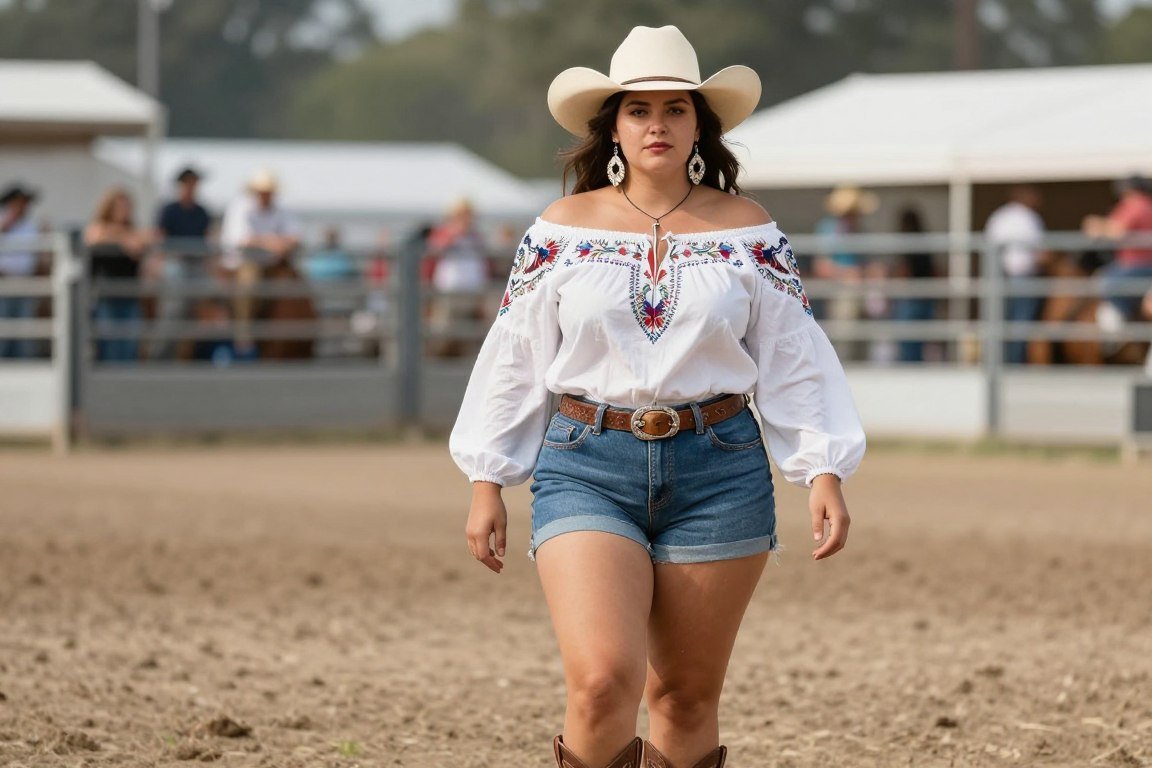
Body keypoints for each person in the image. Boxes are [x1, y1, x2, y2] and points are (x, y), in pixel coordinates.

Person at [449, 26, 865, 768]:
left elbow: (793, 354)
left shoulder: (749, 230)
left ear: (699, 125)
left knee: (685, 697)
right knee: (601, 683)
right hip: (585, 463)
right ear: (612, 126)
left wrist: (822, 468)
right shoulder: (559, 230)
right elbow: (515, 356)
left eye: (676, 109)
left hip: (722, 466)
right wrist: (488, 479)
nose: (657, 125)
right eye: (639, 110)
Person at [220, 168, 307, 359]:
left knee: (299, 285)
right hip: (245, 262)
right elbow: (243, 240)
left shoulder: (282, 209)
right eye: (262, 192)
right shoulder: (240, 207)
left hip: (275, 263)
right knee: (249, 285)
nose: (265, 195)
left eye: (268, 192)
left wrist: (273, 244)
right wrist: (275, 243)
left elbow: (295, 238)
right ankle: (244, 333)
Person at [84, 187, 151, 362]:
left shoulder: (133, 231)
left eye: (126, 207)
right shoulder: (100, 228)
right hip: (106, 298)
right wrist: (124, 239)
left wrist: (127, 238)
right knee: (108, 348)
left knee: (128, 348)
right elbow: (95, 235)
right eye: (119, 207)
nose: (124, 211)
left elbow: (145, 241)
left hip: (129, 297)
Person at [154, 166, 213, 359]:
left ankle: (202, 353)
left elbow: (208, 241)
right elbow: (160, 240)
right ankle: (162, 354)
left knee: (212, 298)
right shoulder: (169, 210)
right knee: (174, 306)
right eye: (188, 183)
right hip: (176, 263)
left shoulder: (202, 212)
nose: (191, 187)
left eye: (194, 183)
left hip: (197, 265)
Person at [814, 184, 878, 361]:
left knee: (863, 339)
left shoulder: (859, 229)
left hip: (863, 290)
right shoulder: (829, 229)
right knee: (844, 337)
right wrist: (848, 274)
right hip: (842, 291)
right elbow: (822, 266)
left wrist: (870, 271)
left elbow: (866, 259)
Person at [984, 185, 1047, 365]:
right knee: (1021, 323)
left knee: (998, 323)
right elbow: (1041, 253)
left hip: (999, 277)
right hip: (1023, 278)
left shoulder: (999, 217)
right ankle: (1015, 364)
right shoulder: (1029, 218)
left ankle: (996, 363)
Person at [1083, 174, 1152, 331]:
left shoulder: (1135, 205)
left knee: (1102, 283)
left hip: (1135, 265)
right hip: (1142, 264)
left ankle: (1122, 326)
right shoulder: (1148, 205)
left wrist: (1097, 226)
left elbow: (1117, 231)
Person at [426, 199, 490, 357]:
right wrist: (455, 233)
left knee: (469, 335)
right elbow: (434, 250)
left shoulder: (475, 237)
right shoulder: (444, 233)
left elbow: (483, 263)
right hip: (448, 293)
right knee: (443, 334)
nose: (466, 219)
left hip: (472, 294)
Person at [0, 183, 44, 358]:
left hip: (26, 284)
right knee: (3, 330)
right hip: (4, 284)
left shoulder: (30, 226)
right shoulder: (3, 221)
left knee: (24, 331)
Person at [890, 206, 937, 363]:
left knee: (909, 349)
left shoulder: (910, 243)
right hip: (925, 300)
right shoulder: (925, 243)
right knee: (917, 346)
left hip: (912, 301)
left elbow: (904, 273)